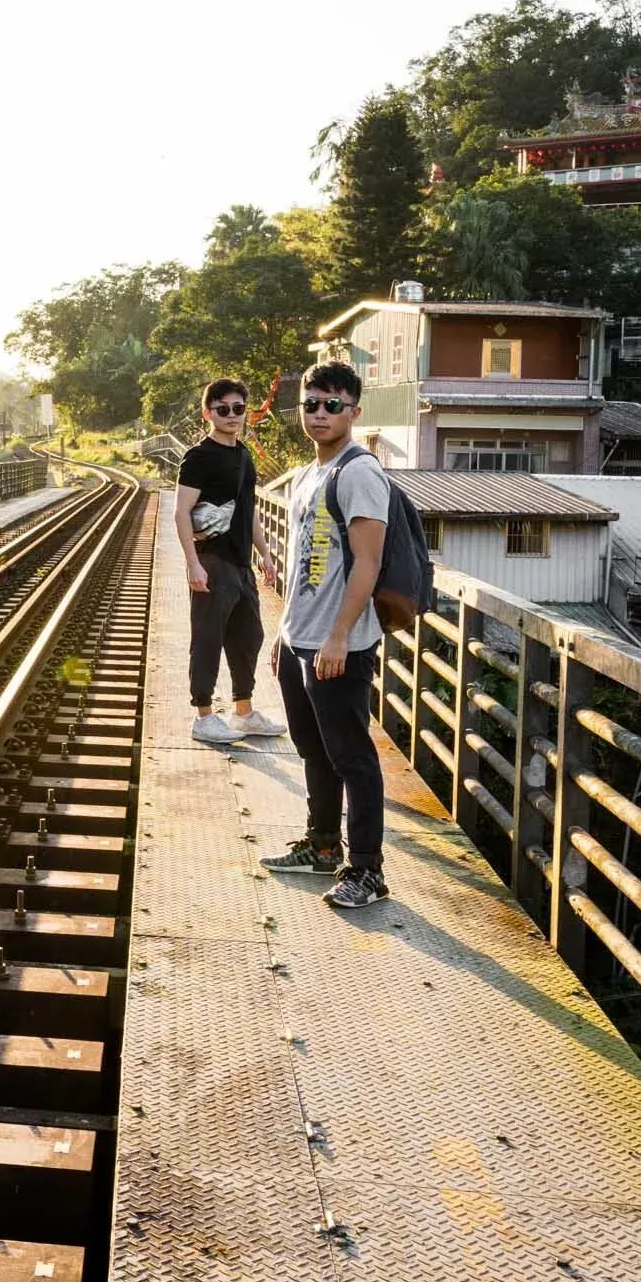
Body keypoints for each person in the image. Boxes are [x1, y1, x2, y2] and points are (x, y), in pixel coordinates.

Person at [257, 360, 391, 909]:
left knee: (352, 758)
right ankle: (321, 845)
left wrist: (338, 636)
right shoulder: (308, 473)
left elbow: (368, 562)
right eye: (310, 404)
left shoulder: (359, 473)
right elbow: (301, 564)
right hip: (301, 638)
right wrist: (284, 631)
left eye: (332, 405)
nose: (319, 414)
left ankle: (368, 870)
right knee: (314, 749)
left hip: (339, 644)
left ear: (354, 412)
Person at [175, 378, 282, 746]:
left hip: (240, 562)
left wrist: (265, 554)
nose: (232, 415)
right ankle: (203, 717)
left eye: (238, 408)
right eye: (223, 409)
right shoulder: (199, 456)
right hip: (212, 561)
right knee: (207, 638)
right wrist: (193, 564)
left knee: (248, 636)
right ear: (209, 413)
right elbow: (181, 511)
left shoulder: (243, 455)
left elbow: (249, 510)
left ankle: (244, 712)